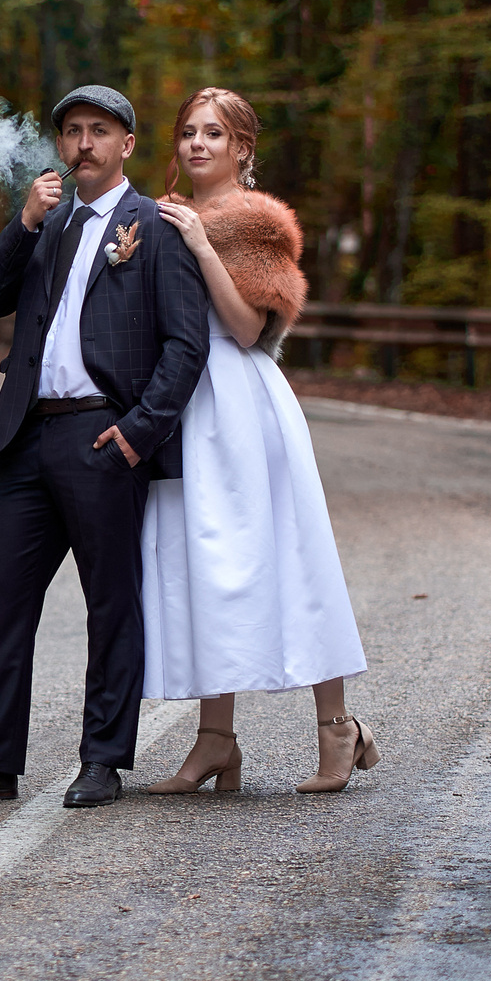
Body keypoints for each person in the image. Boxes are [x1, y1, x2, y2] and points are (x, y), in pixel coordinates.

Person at [0, 86, 210, 810]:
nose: (83, 145)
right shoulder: (49, 221)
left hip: (104, 435)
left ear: (126, 144)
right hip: (29, 436)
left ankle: (103, 759)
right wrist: (25, 223)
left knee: (111, 600)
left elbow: (186, 345)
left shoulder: (154, 225)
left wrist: (138, 432)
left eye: (99, 131)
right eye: (71, 133)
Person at [143, 87, 377, 794]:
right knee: (207, 560)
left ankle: (338, 728)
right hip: (185, 400)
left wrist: (197, 244)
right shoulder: (165, 212)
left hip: (241, 397)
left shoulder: (253, 221)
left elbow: (248, 330)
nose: (197, 144)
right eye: (188, 132)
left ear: (242, 148)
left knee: (288, 551)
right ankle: (216, 739)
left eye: (214, 133)